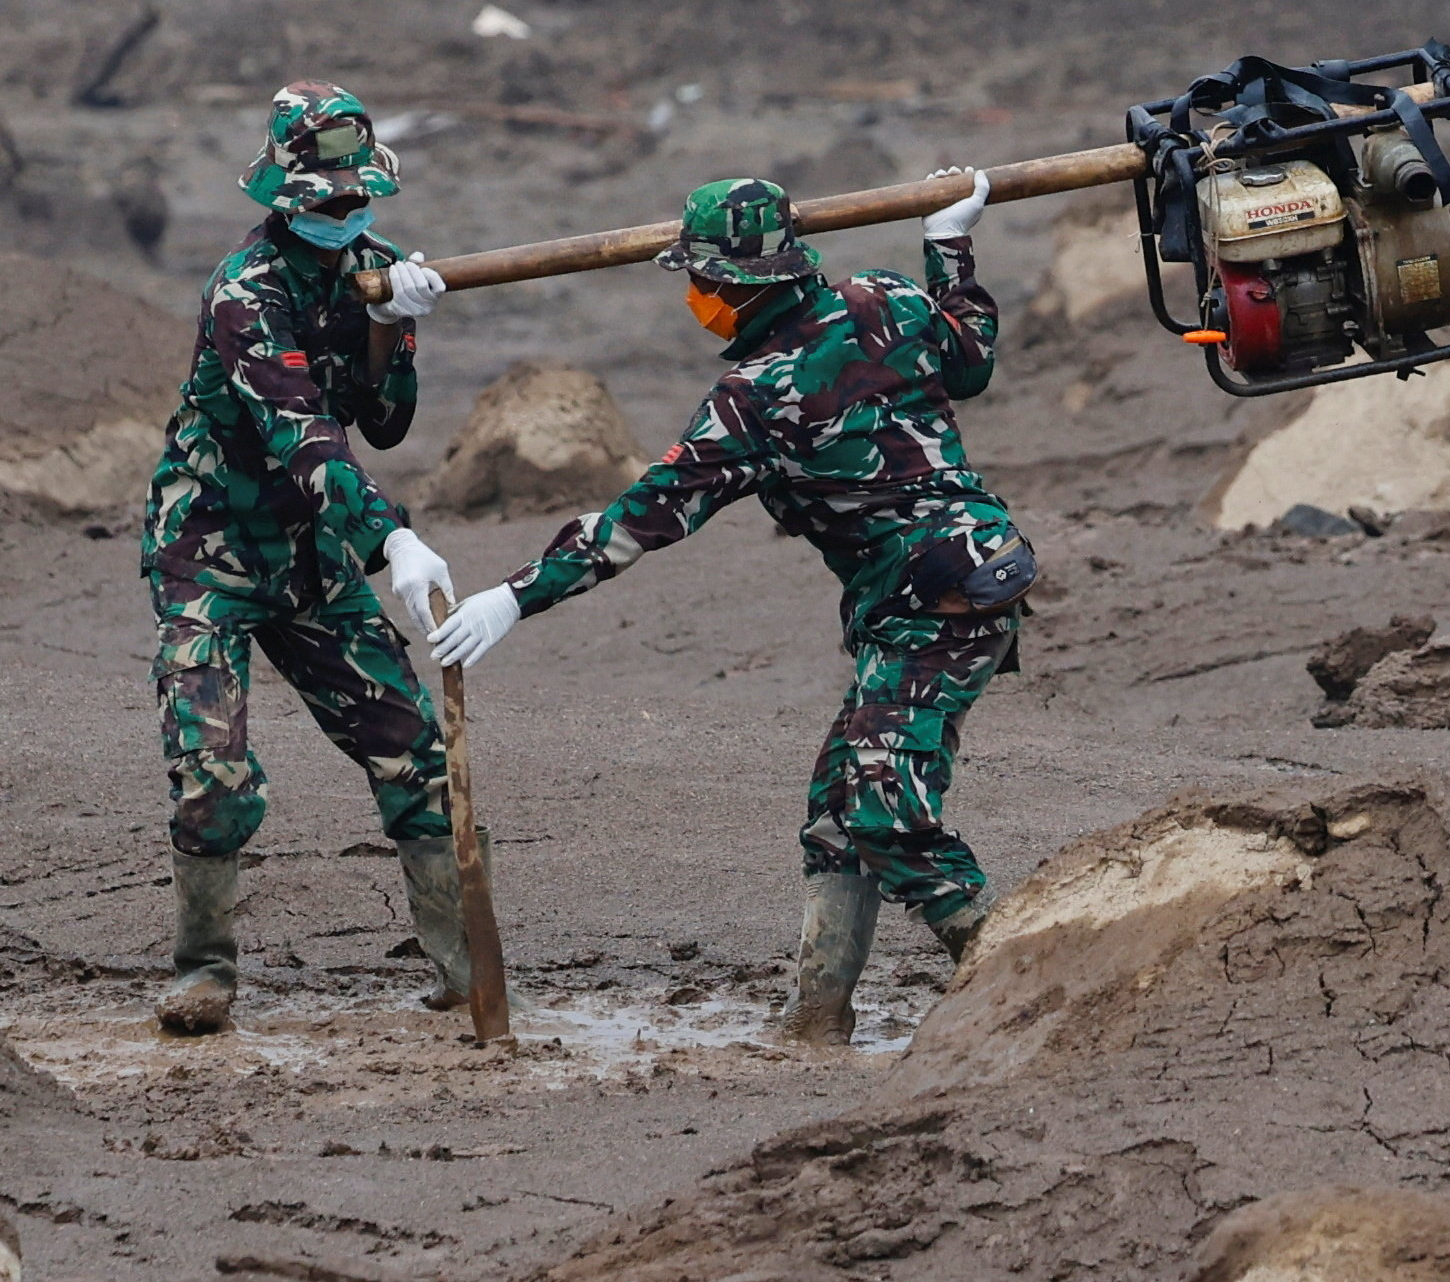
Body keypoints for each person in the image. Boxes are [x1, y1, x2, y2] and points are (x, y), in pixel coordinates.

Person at [429, 171, 1025, 1047]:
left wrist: (514, 597)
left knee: (882, 812)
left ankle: (1024, 973)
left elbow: (638, 523)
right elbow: (971, 356)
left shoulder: (751, 401)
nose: (692, 298)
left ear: (734, 286)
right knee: (837, 819)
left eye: (698, 282)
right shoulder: (886, 302)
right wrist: (948, 248)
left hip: (940, 603)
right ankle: (816, 1021)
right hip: (950, 585)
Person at [142, 82, 463, 1033]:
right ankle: (205, 969)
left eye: (358, 199)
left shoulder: (374, 266)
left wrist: (392, 323)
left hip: (313, 557)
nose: (345, 213)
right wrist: (393, 539)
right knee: (213, 773)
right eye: (326, 200)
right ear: (285, 199)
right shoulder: (244, 293)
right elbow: (304, 438)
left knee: (412, 753)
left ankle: (461, 966)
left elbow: (385, 421)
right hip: (211, 551)